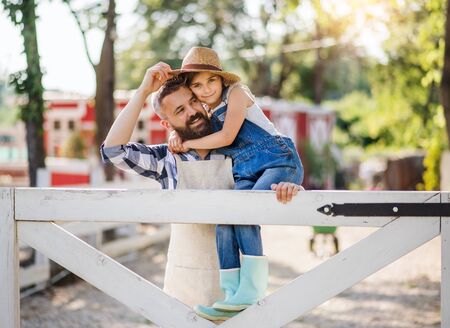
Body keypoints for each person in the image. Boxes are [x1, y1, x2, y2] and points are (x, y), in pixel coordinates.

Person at [100, 62, 303, 320]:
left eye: (194, 101)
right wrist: (142, 91)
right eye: (180, 110)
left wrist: (289, 186)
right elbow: (113, 151)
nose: (193, 111)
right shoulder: (167, 160)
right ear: (167, 123)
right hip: (185, 292)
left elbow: (277, 169)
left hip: (238, 300)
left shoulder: (239, 148)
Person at [167, 47, 304, 320]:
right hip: (245, 171)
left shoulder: (237, 93)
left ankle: (252, 291)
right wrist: (174, 132)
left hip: (276, 161)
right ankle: (230, 295)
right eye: (197, 85)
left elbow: (228, 136)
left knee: (244, 213)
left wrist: (188, 143)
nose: (205, 90)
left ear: (222, 80)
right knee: (225, 221)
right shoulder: (205, 110)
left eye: (211, 81)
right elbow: (182, 121)